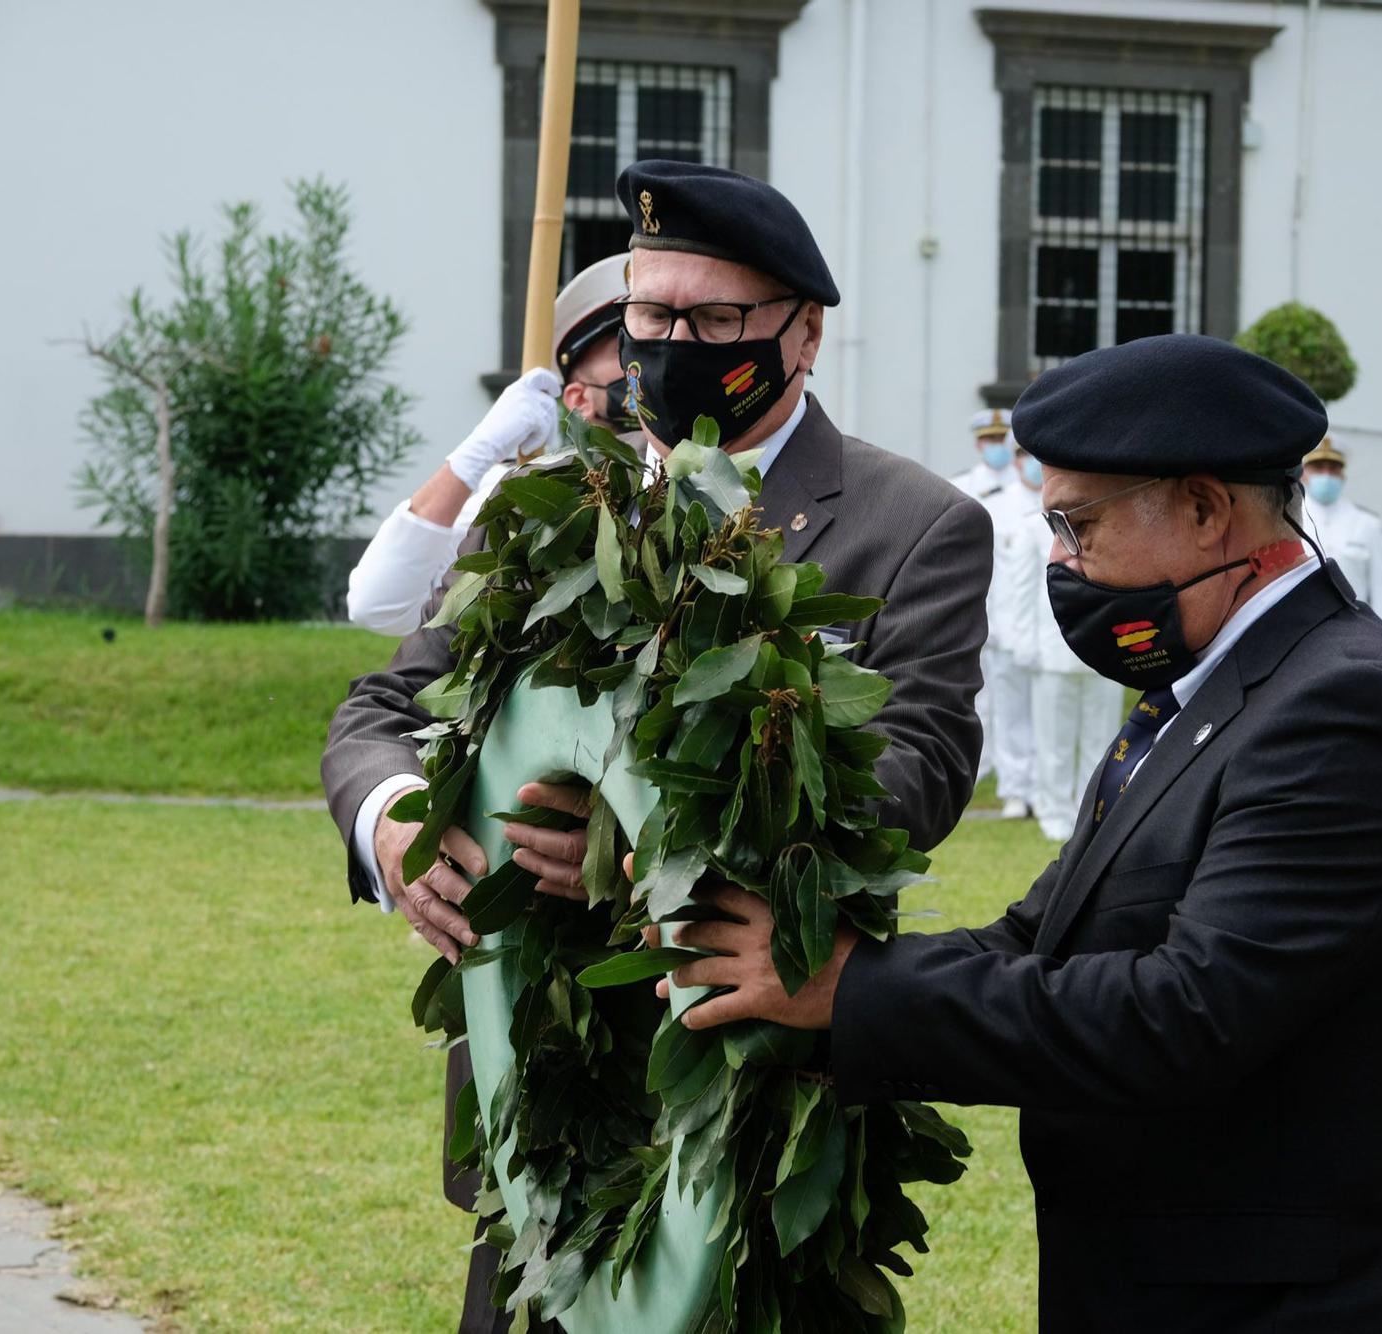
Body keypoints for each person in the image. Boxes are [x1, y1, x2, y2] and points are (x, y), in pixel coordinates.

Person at [657, 335, 1382, 1333]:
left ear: (1201, 506)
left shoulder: (1346, 710)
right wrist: (800, 981)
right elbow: (1037, 940)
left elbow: (1184, 1013)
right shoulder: (1210, 692)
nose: (1058, 559)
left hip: (1305, 1299)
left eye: (1076, 522)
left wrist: (853, 988)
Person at [321, 160, 993, 1334]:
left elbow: (913, 772)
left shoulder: (912, 524)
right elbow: (380, 710)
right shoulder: (551, 508)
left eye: (715, 319)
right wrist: (392, 820)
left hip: (750, 1075)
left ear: (803, 332)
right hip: (540, 1088)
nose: (674, 343)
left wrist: (660, 826)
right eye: (650, 315)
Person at [344, 253, 634, 634]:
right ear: (578, 398)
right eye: (623, 348)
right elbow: (377, 605)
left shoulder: (715, 476)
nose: (643, 363)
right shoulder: (524, 495)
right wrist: (479, 451)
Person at [1006, 503, 1121, 842]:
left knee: (1100, 740)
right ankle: (1052, 809)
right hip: (1052, 650)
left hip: (1103, 650)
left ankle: (1090, 809)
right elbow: (1023, 590)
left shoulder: (1109, 522)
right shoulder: (1032, 528)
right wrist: (1024, 643)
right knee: (1054, 739)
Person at [961, 408, 1042, 816]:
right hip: (992, 613)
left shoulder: (1031, 492)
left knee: (1031, 706)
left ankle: (1036, 786)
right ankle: (1009, 783)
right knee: (995, 704)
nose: (997, 450)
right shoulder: (968, 491)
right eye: (989, 441)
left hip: (1030, 617)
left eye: (1002, 442)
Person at [1300, 434, 1382, 618]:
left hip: (1355, 625)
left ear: (1342, 475)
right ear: (1303, 474)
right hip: (1302, 625)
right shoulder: (1290, 519)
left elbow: (1381, 586)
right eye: (1318, 468)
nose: (1326, 475)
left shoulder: (1367, 523)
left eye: (1333, 469)